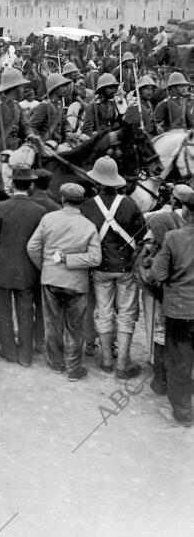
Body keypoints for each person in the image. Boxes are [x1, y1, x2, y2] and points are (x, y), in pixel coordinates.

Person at [27, 183, 102, 380]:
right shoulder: (88, 225)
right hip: (77, 283)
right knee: (75, 327)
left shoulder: (48, 219)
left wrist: (46, 267)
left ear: (62, 199)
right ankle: (74, 368)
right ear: (82, 202)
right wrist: (72, 260)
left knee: (52, 323)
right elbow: (96, 258)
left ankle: (56, 363)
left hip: (51, 279)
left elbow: (32, 247)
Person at [82, 156, 146, 378]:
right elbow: (142, 235)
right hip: (126, 268)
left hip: (100, 268)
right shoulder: (130, 204)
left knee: (103, 312)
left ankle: (107, 360)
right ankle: (122, 364)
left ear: (97, 182)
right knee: (126, 314)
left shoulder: (88, 206)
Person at [0, 166, 45, 366]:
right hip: (28, 269)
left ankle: (9, 351)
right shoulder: (39, 211)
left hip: (2, 267)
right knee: (26, 311)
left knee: (3, 311)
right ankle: (26, 356)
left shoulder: (0, 207)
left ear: (11, 183)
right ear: (31, 186)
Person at [150, 187, 194, 427]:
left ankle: (183, 414)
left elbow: (158, 273)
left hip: (180, 310)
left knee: (180, 361)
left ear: (186, 210)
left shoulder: (174, 238)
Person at [29, 73, 73, 144]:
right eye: (62, 86)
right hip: (47, 146)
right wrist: (40, 143)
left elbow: (65, 122)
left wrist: (68, 131)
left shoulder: (58, 105)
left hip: (58, 144)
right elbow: (32, 127)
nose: (65, 88)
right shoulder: (44, 106)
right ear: (55, 88)